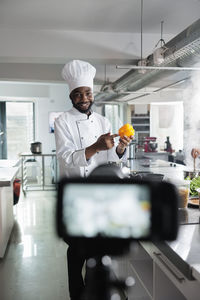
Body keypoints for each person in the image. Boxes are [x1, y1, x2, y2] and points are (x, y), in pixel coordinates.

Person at [54, 59, 133, 300]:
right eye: (77, 94)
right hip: (76, 197)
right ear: (71, 97)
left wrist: (120, 148)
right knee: (76, 250)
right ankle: (77, 295)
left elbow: (111, 158)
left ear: (92, 93)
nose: (83, 98)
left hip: (100, 196)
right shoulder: (62, 121)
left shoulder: (103, 122)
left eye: (87, 92)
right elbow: (67, 158)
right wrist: (95, 146)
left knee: (96, 251)